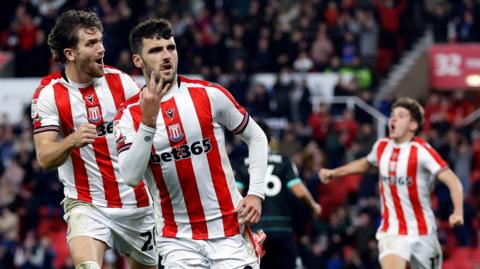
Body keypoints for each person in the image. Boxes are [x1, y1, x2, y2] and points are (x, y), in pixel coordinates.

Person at [114, 18, 268, 269]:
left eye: (170, 48)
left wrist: (255, 193)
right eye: (155, 50)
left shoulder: (208, 94)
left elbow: (257, 136)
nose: (166, 56)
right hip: (177, 241)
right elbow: (131, 176)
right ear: (137, 61)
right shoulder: (128, 116)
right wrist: (149, 122)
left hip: (229, 230)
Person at [31, 10, 157, 269]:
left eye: (100, 41)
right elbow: (44, 158)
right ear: (70, 54)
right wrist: (71, 140)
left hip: (138, 204)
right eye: (91, 43)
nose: (101, 49)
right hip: (87, 203)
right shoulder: (49, 94)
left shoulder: (122, 83)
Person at [319, 97, 464, 269]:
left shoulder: (422, 151)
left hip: (423, 232)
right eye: (392, 115)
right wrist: (334, 172)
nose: (393, 119)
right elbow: (366, 163)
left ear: (413, 126)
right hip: (392, 230)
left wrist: (458, 211)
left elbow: (453, 180)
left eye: (401, 116)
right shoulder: (381, 147)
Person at [235, 120, 321, 269]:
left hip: (255, 230)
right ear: (271, 139)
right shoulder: (284, 161)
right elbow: (298, 191)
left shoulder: (242, 164)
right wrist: (313, 206)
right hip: (282, 228)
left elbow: (236, 195)